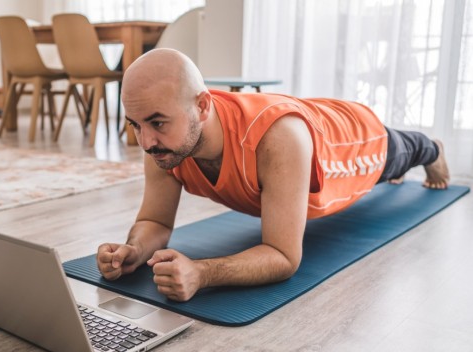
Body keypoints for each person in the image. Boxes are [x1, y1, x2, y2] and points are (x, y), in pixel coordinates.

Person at [96, 48, 450, 302]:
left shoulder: (275, 139)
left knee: (403, 154)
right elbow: (155, 221)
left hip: (350, 137)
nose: (145, 141)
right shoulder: (164, 145)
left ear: (202, 107)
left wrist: (201, 273)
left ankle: (434, 148)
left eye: (156, 123)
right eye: (135, 126)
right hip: (304, 121)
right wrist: (134, 249)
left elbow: (283, 256)